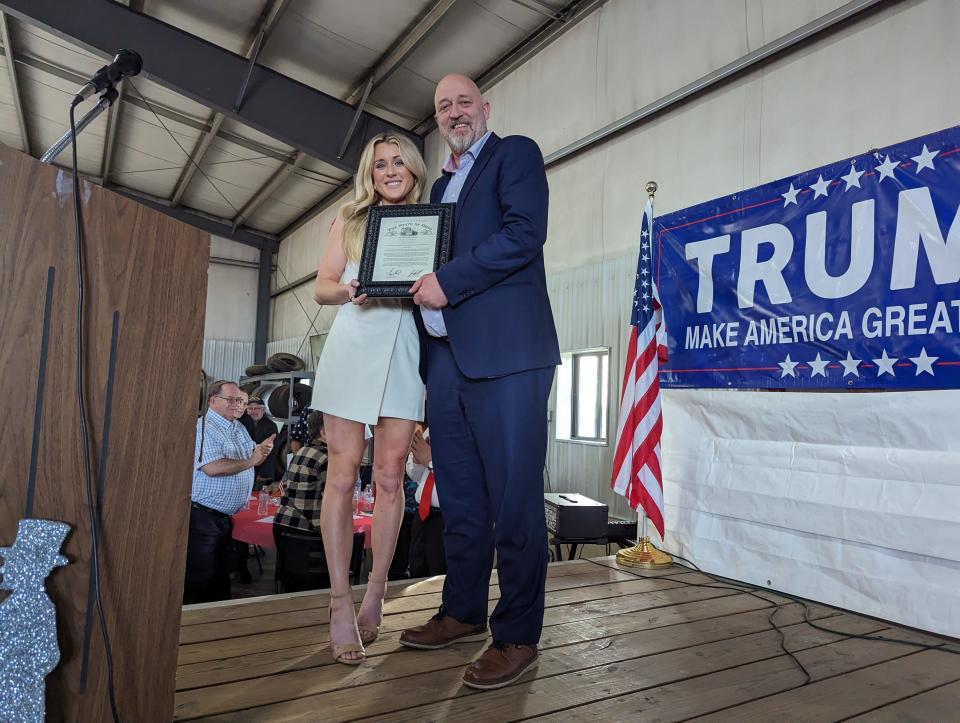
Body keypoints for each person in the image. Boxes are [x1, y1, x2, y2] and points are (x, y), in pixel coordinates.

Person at [402, 73, 560, 690]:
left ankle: (517, 633)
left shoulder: (513, 153)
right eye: (444, 106)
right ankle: (462, 610)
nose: (454, 111)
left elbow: (524, 234)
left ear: (485, 109)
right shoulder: (439, 185)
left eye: (464, 101)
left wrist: (449, 280)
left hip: (510, 358)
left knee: (515, 502)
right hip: (447, 364)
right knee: (461, 501)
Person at [311, 132, 428, 665]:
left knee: (389, 476)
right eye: (380, 164)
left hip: (405, 347)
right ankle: (340, 601)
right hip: (354, 342)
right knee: (341, 472)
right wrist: (350, 290)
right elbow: (322, 285)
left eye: (398, 160)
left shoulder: (433, 220)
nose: (389, 170)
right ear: (370, 172)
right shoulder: (350, 218)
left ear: (414, 168)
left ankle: (377, 590)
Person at [185, 381, 275, 604]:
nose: (238, 405)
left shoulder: (237, 427)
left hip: (225, 517)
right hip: (203, 517)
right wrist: (251, 460)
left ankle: (217, 626)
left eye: (242, 401)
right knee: (200, 579)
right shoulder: (204, 428)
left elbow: (251, 459)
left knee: (219, 576)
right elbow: (212, 467)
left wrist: (262, 452)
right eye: (232, 399)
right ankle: (194, 629)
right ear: (213, 400)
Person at [406, 424, 446, 577]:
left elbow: (463, 477)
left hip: (445, 518)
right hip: (422, 515)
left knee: (439, 576)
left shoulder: (467, 431)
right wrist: (417, 460)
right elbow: (415, 475)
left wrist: (430, 462)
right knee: (417, 570)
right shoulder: (431, 429)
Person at [239, 396, 278, 487]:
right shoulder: (239, 422)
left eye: (257, 408)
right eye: (250, 408)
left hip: (262, 468)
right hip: (242, 466)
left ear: (263, 410)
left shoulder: (271, 426)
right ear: (246, 410)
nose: (253, 411)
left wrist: (264, 473)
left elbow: (271, 452)